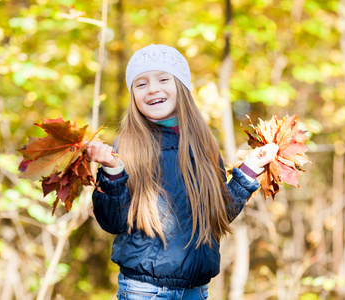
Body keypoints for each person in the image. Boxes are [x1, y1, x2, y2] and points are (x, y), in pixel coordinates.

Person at [87, 44, 278, 300]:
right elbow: (113, 222)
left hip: (196, 289)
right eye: (140, 84)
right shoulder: (129, 145)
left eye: (163, 79)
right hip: (145, 290)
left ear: (182, 87)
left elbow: (217, 213)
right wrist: (112, 173)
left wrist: (249, 170)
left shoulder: (203, 144)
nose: (153, 88)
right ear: (133, 96)